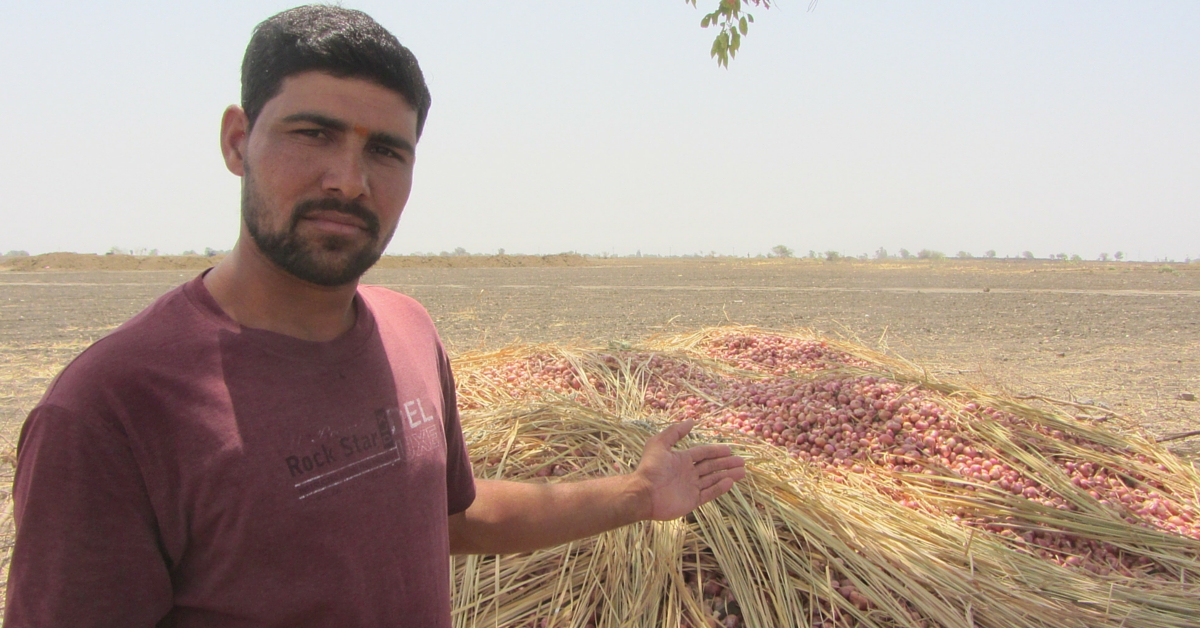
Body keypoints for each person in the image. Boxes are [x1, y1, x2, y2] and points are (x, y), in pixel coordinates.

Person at [4, 5, 746, 626]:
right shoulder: (112, 410)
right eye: (313, 134)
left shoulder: (408, 331)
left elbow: (451, 517)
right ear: (238, 140)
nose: (348, 181)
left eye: (386, 151)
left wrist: (639, 495)